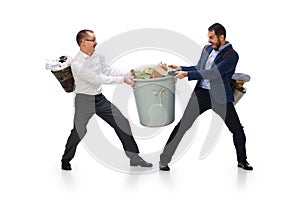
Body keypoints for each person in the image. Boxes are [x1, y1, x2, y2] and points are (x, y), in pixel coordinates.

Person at [159, 23, 253, 171]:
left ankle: (242, 161)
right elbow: (200, 68)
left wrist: (187, 75)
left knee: (237, 129)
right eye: (208, 37)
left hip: (220, 97)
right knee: (183, 126)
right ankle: (163, 160)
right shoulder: (207, 48)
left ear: (221, 37)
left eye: (212, 37)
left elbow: (214, 73)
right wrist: (182, 68)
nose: (209, 40)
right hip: (201, 94)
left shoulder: (231, 55)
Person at [61, 29, 153, 170]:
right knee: (79, 131)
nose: (96, 43)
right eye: (93, 40)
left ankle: (134, 158)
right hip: (84, 101)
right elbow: (98, 78)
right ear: (83, 42)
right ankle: (65, 160)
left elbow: (108, 71)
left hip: (99, 99)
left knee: (121, 122)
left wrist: (130, 73)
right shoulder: (77, 64)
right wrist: (123, 80)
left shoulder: (97, 55)